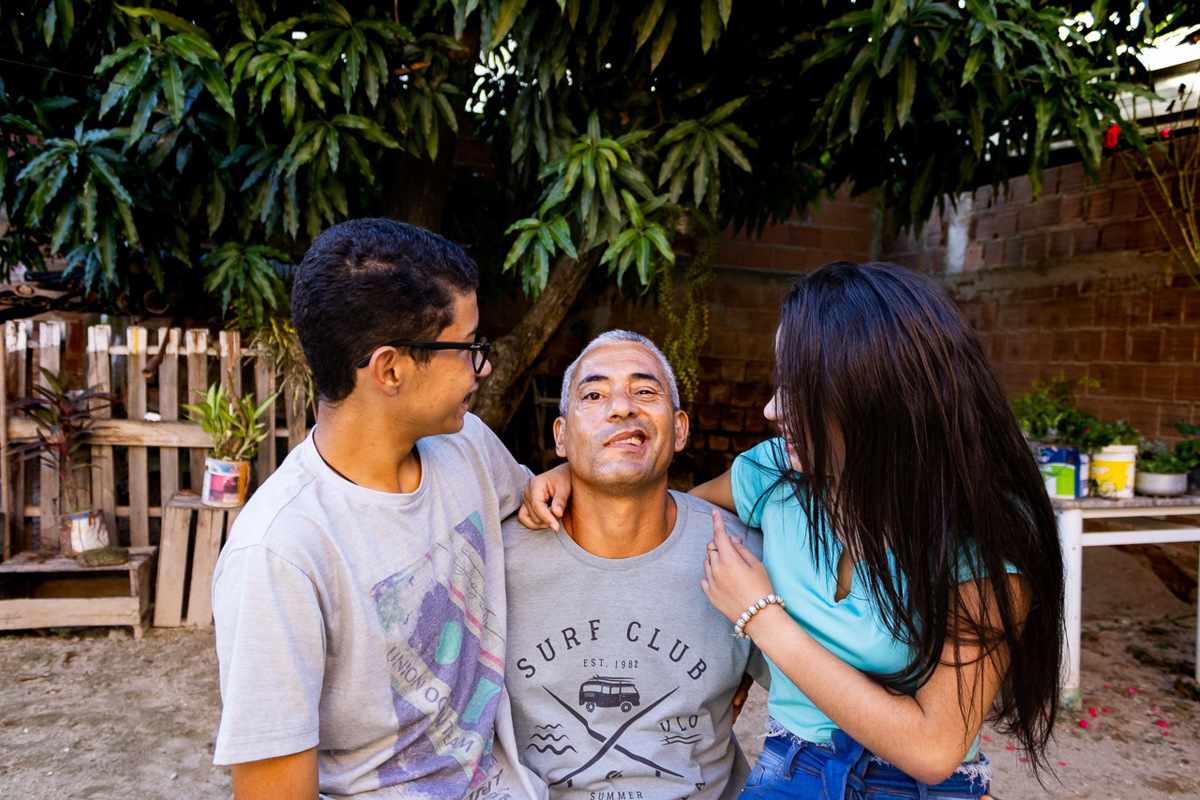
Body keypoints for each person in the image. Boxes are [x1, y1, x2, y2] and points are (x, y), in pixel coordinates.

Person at [524, 262, 1063, 799]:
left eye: (796, 385)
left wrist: (761, 617)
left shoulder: (984, 535)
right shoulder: (773, 476)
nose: (770, 408)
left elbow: (932, 749)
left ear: (872, 393)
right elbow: (661, 516)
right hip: (790, 772)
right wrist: (577, 474)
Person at [211, 219, 544, 800]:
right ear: (389, 369)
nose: (482, 367)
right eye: (469, 348)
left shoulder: (468, 449)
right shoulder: (279, 554)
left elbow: (541, 503)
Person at [504, 330, 767, 799]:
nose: (622, 407)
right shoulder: (496, 559)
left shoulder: (742, 553)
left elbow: (822, 705)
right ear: (561, 437)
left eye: (645, 391)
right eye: (594, 394)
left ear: (680, 429)